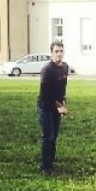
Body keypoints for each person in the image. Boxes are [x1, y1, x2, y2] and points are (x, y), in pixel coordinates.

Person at [37, 41, 69, 176]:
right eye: (56, 51)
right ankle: (46, 167)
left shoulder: (65, 67)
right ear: (51, 53)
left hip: (56, 106)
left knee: (54, 136)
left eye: (61, 51)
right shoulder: (47, 70)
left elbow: (62, 88)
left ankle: (51, 162)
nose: (59, 54)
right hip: (45, 107)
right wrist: (59, 106)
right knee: (48, 137)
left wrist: (63, 102)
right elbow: (46, 94)